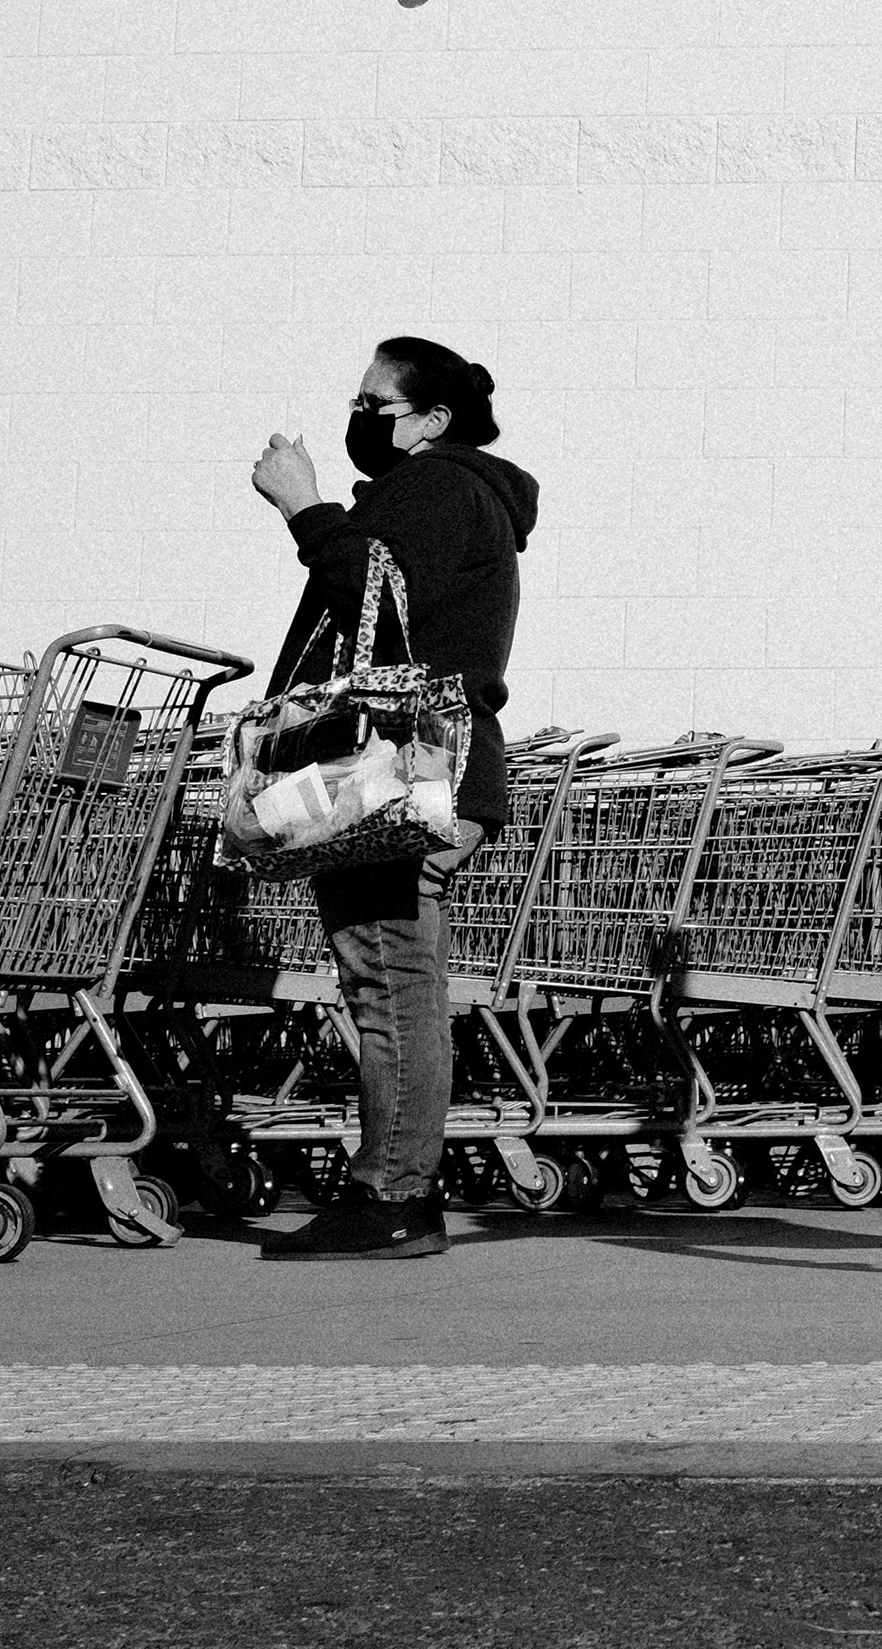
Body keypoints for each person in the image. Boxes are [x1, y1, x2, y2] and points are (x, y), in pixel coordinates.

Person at [244, 336, 540, 1258]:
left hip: (405, 775)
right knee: (385, 977)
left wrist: (305, 507)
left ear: (432, 422)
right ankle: (398, 1188)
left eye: (376, 405)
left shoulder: (442, 488)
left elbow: (373, 583)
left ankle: (392, 1195)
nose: (358, 417)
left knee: (390, 982)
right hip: (416, 771)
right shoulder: (448, 492)